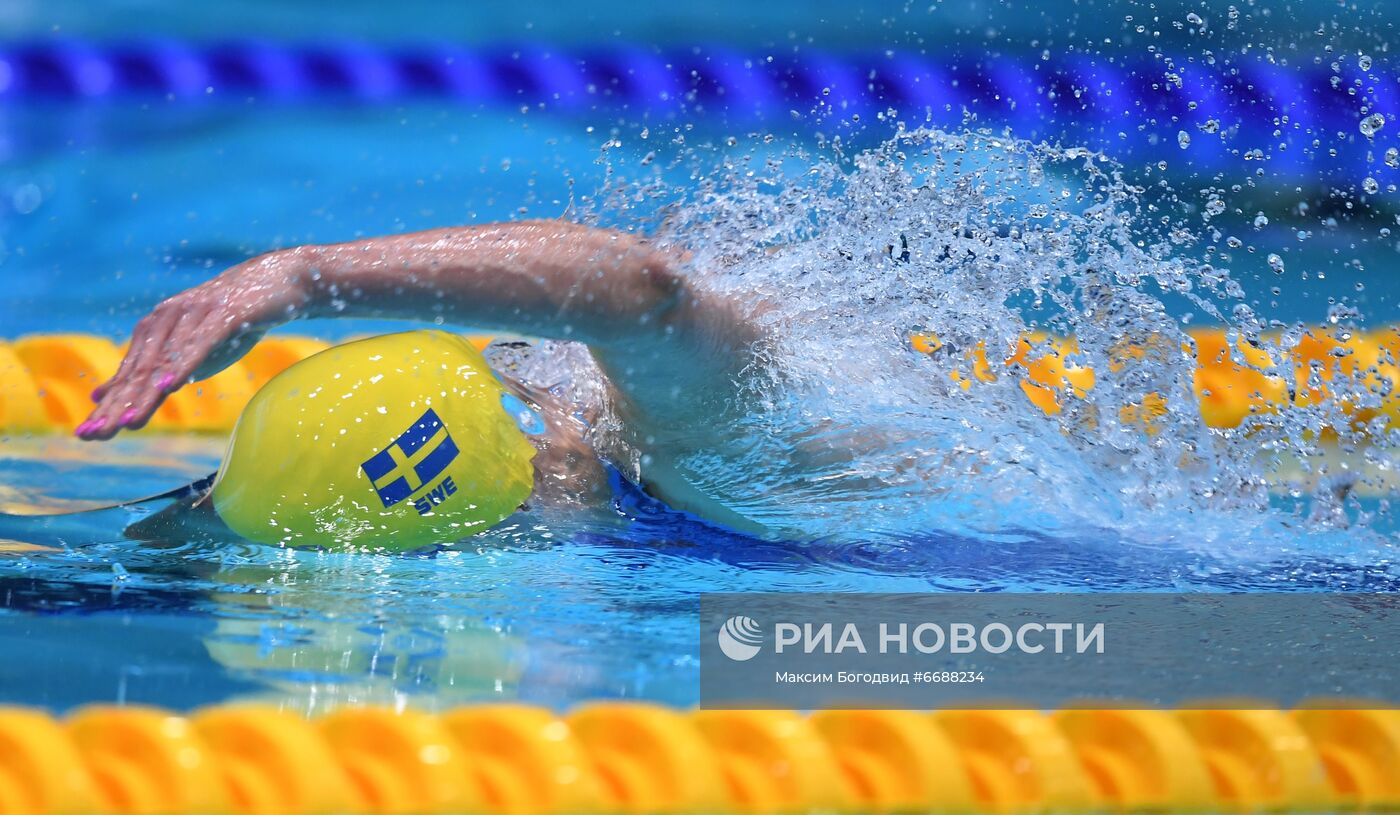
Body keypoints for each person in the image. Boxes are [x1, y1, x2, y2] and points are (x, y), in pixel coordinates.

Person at [76, 220, 777, 537]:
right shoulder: (605, 450)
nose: (521, 513)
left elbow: (646, 286)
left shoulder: (704, 446)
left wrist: (301, 277)